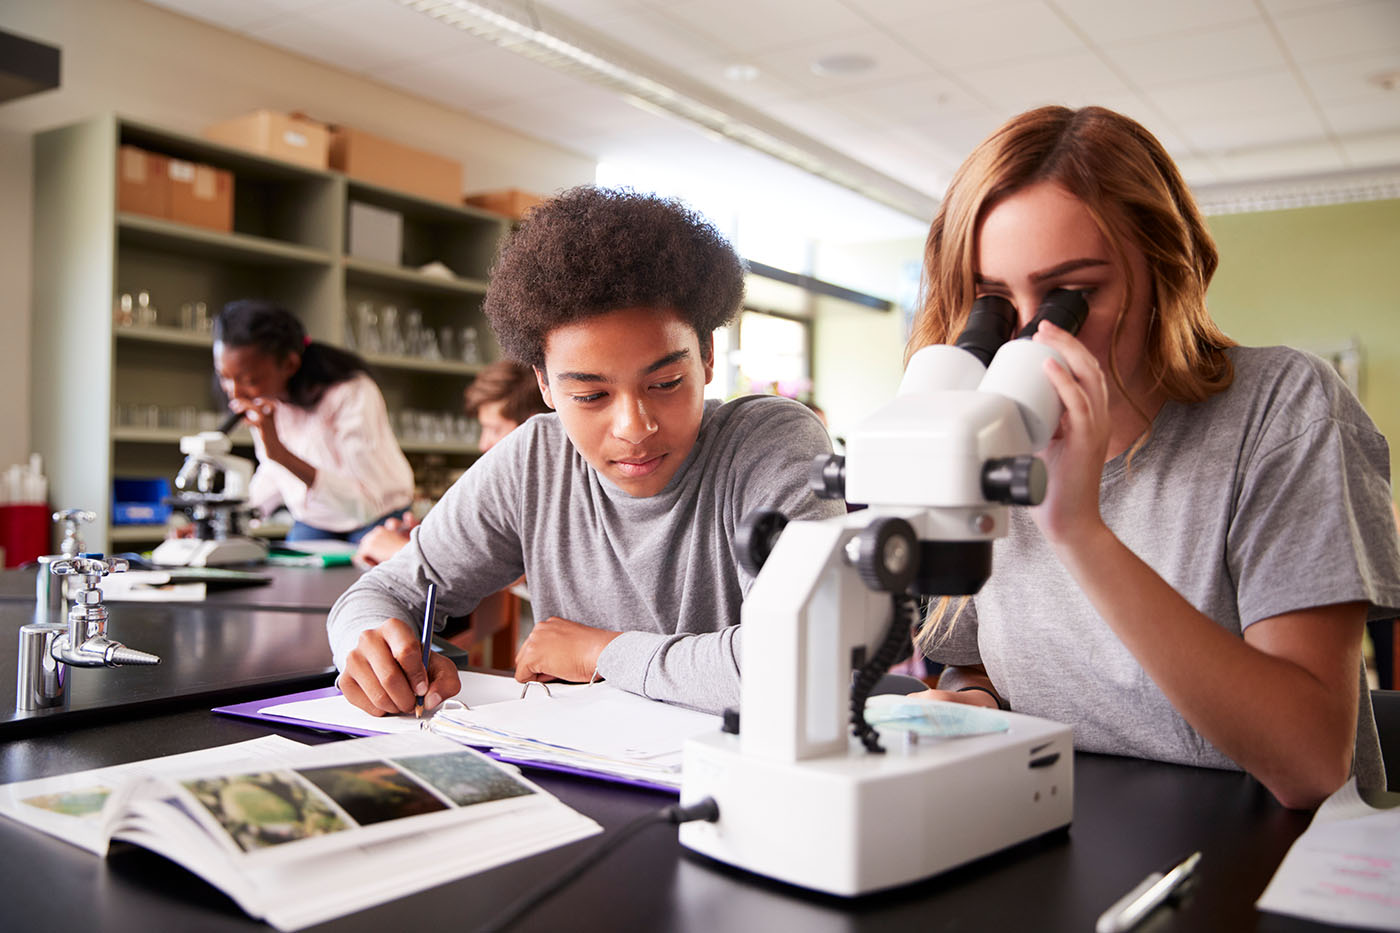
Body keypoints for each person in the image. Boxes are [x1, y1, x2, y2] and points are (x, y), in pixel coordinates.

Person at [910, 105, 1400, 809]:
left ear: (1165, 270)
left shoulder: (1286, 411)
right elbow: (971, 663)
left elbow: (1310, 760)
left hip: (1260, 859)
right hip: (1066, 834)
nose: (1024, 339)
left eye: (1070, 297)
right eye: (992, 302)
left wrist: (1078, 531)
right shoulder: (990, 427)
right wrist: (969, 703)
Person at [327, 186, 844, 717]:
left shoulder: (771, 442)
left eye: (665, 382)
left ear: (707, 356)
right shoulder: (535, 460)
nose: (634, 427)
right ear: (546, 387)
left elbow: (803, 661)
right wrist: (369, 646)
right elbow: (383, 593)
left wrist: (602, 651)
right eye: (591, 396)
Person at [212, 300, 414, 543]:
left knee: (367, 578)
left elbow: (365, 506)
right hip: (316, 520)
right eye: (224, 377)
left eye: (249, 380)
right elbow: (273, 474)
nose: (235, 393)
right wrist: (220, 525)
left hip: (378, 515)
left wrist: (280, 453)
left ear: (289, 364)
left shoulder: (351, 393)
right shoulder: (266, 400)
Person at [353, 360, 550, 568]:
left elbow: (500, 568)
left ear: (532, 426)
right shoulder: (511, 488)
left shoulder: (547, 491)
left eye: (494, 429)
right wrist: (429, 541)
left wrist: (401, 551)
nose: (483, 444)